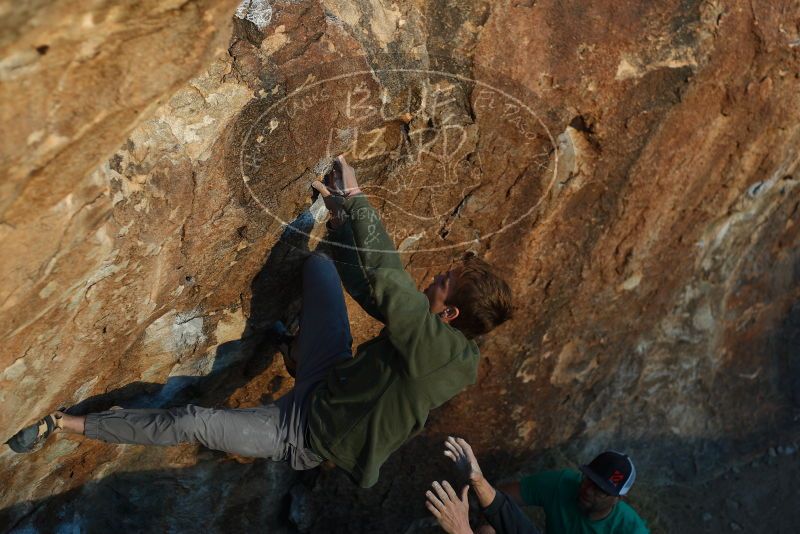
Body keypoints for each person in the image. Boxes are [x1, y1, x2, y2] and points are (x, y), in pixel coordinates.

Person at [7, 155, 514, 489]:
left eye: (442, 282)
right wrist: (340, 226)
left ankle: (70, 423)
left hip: (301, 433)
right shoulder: (431, 334)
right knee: (319, 266)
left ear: (448, 313)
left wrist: (357, 202)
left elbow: (389, 278)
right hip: (327, 375)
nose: (433, 278)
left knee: (192, 421)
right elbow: (372, 290)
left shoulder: (440, 355)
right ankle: (294, 344)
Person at [425, 437, 649, 533]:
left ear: (618, 499)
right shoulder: (564, 483)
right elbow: (510, 509)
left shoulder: (630, 530)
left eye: (600, 491)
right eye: (588, 480)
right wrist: (480, 487)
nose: (588, 490)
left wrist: (463, 531)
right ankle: (478, 480)